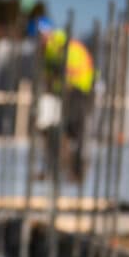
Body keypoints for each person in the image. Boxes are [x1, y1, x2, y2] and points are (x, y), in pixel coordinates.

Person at [29, 16, 94, 183]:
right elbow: (49, 77)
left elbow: (68, 73)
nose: (38, 42)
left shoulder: (60, 46)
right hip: (63, 94)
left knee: (72, 132)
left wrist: (57, 80)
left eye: (39, 37)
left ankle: (75, 171)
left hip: (77, 92)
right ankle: (57, 168)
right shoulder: (50, 49)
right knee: (49, 128)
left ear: (45, 33)